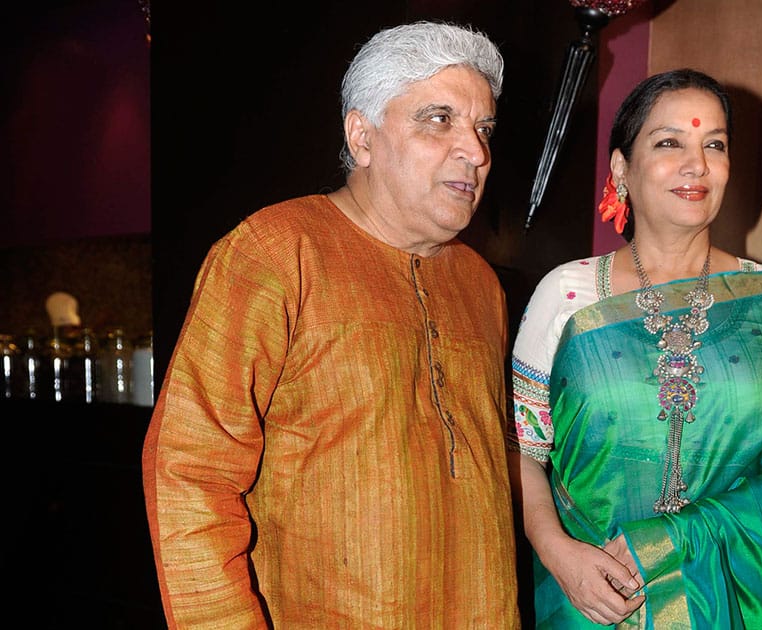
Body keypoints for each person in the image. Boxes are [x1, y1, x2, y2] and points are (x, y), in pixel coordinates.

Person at [142, 21, 521, 628]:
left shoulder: (480, 284)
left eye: (483, 129)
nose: (475, 152)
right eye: (438, 119)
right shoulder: (273, 253)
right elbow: (191, 470)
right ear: (362, 136)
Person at [507, 68, 762, 629]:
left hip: (724, 599)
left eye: (715, 144)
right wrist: (558, 553)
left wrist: (684, 534)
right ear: (621, 167)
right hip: (593, 598)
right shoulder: (567, 294)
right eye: (670, 143)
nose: (698, 164)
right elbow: (524, 450)